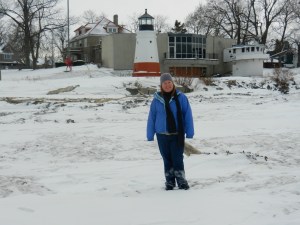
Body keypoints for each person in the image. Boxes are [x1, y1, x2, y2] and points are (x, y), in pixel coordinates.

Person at [147, 73, 194, 190]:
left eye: (169, 83)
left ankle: (181, 180)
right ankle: (170, 181)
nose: (167, 85)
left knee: (177, 158)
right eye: (165, 83)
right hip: (161, 135)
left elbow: (187, 114)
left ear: (172, 83)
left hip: (177, 134)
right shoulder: (157, 100)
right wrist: (150, 134)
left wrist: (190, 131)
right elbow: (152, 117)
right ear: (161, 85)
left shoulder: (181, 97)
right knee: (167, 159)